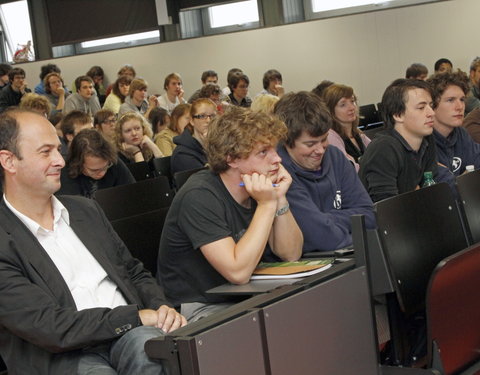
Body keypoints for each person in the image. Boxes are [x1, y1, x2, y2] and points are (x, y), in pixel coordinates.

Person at [0, 109, 185, 374]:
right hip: (63, 354)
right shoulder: (4, 239)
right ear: (9, 161)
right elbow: (49, 326)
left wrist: (160, 307)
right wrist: (133, 317)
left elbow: (132, 270)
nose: (60, 161)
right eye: (45, 152)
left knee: (152, 354)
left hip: (128, 334)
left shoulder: (85, 210)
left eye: (58, 150)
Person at [157, 106, 303, 321]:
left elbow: (291, 254)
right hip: (198, 308)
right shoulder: (199, 195)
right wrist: (266, 205)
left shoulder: (257, 187)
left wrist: (278, 198)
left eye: (274, 149)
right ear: (231, 159)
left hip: (243, 297)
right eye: (263, 152)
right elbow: (238, 273)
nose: (277, 159)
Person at [274, 91, 375, 252]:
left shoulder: (335, 156)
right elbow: (321, 238)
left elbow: (369, 216)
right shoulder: (278, 171)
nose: (320, 150)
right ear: (287, 141)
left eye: (324, 139)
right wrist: (344, 225)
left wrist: (324, 219)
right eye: (310, 144)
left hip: (348, 255)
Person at [359, 79, 439, 202]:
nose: (431, 113)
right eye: (421, 107)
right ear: (398, 115)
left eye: (431, 106)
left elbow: (431, 189)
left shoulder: (427, 139)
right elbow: (387, 208)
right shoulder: (384, 148)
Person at [428, 71, 480, 175]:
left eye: (462, 99)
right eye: (450, 100)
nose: (459, 107)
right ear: (432, 105)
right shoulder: (423, 141)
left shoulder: (461, 133)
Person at [58, 129, 135, 197]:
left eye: (106, 167)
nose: (102, 173)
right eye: (94, 170)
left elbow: (132, 192)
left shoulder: (112, 160)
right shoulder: (64, 175)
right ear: (78, 164)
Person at [323, 84, 371, 171]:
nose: (352, 107)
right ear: (330, 110)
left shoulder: (358, 134)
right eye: (343, 105)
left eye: (352, 101)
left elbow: (378, 155)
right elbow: (349, 169)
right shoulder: (331, 136)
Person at [171, 99, 215, 174]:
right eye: (202, 116)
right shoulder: (183, 154)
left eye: (213, 116)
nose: (208, 120)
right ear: (192, 121)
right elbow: (206, 181)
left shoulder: (217, 145)